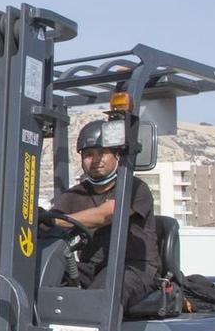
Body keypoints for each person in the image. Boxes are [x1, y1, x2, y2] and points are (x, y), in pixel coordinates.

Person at [47, 119, 161, 310]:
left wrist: (59, 221)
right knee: (47, 278)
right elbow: (49, 222)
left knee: (103, 291)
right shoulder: (75, 194)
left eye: (102, 153)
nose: (96, 159)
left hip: (135, 268)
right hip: (91, 268)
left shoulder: (134, 188)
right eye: (89, 154)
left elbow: (106, 215)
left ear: (117, 155)